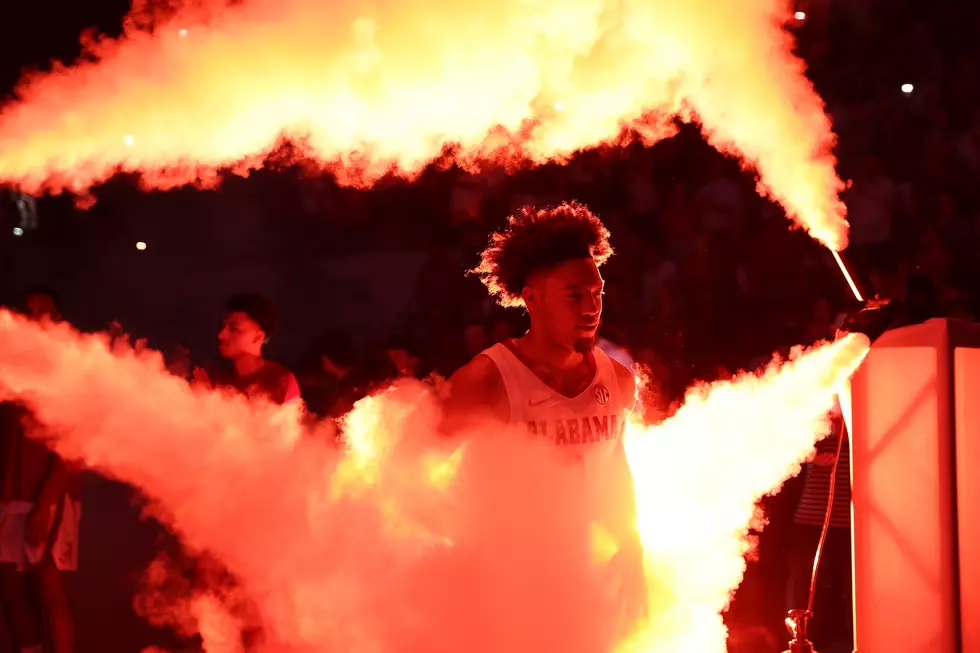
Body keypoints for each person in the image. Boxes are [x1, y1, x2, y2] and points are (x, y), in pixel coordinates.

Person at [444, 202, 645, 626]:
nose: (591, 306)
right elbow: (401, 474)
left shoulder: (619, 380)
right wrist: (472, 545)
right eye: (574, 295)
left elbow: (615, 466)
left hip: (584, 582)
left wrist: (631, 547)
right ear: (531, 299)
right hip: (504, 592)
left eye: (597, 293)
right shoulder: (488, 380)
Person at [0, 286, 81, 653]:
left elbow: (74, 441)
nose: (34, 318)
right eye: (28, 310)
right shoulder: (8, 363)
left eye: (43, 311)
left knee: (47, 588)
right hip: (7, 494)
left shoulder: (68, 368)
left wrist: (48, 502)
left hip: (48, 493)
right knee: (12, 591)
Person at [195, 294, 300, 405]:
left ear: (258, 337)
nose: (221, 335)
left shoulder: (280, 382)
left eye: (233, 328)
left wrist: (211, 401)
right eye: (223, 327)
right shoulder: (220, 381)